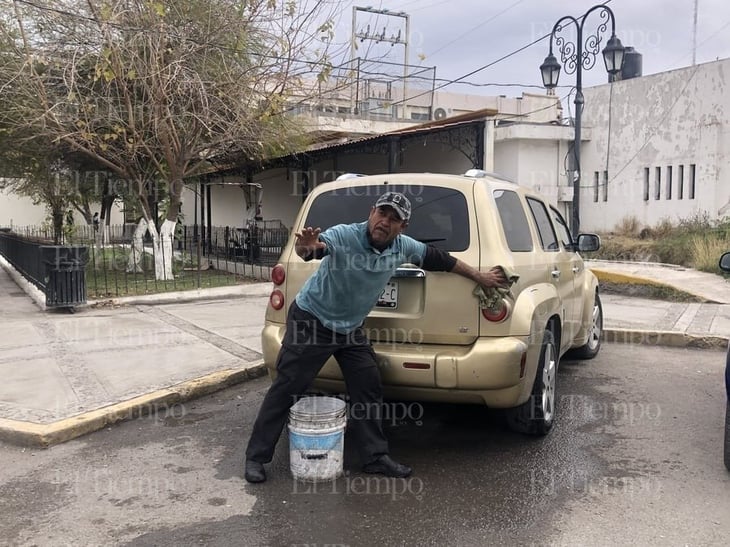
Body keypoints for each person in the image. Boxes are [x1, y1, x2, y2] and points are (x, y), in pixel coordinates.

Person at [244, 191, 509, 483]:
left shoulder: (403, 246)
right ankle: (256, 457)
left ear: (402, 227)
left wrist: (481, 277)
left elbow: (442, 260)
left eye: (394, 219)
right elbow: (315, 249)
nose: (385, 221)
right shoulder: (345, 235)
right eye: (382, 213)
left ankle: (374, 457)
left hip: (350, 328)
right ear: (372, 212)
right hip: (313, 320)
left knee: (368, 384)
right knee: (288, 386)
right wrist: (306, 247)